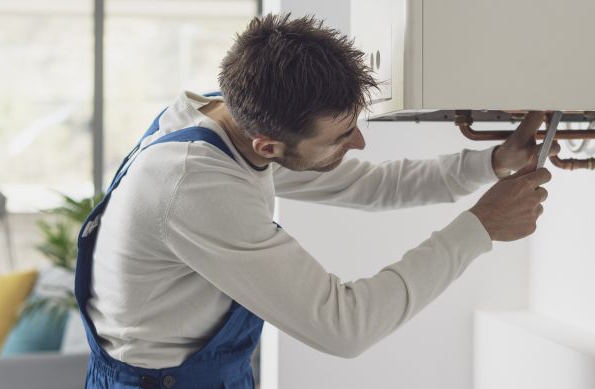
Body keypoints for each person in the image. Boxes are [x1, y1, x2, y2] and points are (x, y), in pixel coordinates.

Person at [74, 13, 557, 389]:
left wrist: (493, 161)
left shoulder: (227, 115)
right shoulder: (196, 186)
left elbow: (368, 185)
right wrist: (479, 227)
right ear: (269, 147)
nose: (359, 144)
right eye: (342, 136)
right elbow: (344, 326)